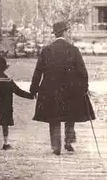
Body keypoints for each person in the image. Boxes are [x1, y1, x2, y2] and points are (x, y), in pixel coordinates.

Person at [30, 21, 96, 155]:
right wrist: (84, 87)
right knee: (70, 114)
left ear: (55, 34)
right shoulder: (73, 50)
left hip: (50, 90)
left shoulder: (46, 50)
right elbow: (82, 72)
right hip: (71, 90)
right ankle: (69, 141)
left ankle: (56, 147)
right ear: (65, 32)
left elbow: (38, 72)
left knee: (54, 117)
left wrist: (34, 89)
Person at [0, 56, 34, 155]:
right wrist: (31, 96)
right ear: (5, 68)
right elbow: (19, 92)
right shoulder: (8, 80)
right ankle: (5, 143)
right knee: (5, 125)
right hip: (5, 109)